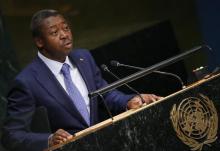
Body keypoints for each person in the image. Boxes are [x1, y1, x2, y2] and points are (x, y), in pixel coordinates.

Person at [1, 9, 161, 151]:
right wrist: (49, 140)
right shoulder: (27, 82)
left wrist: (129, 101)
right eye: (54, 32)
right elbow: (12, 135)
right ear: (39, 42)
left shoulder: (83, 57)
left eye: (66, 28)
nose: (64, 35)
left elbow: (105, 95)